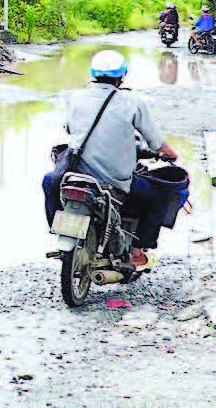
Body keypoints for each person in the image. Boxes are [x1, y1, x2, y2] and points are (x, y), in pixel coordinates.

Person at [41, 50, 178, 267]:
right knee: (157, 197)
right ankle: (136, 250)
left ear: (93, 74)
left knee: (49, 181)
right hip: (116, 180)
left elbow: (70, 129)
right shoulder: (133, 102)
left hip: (76, 174)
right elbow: (155, 142)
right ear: (122, 76)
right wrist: (170, 153)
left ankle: (58, 226)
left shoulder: (75, 98)